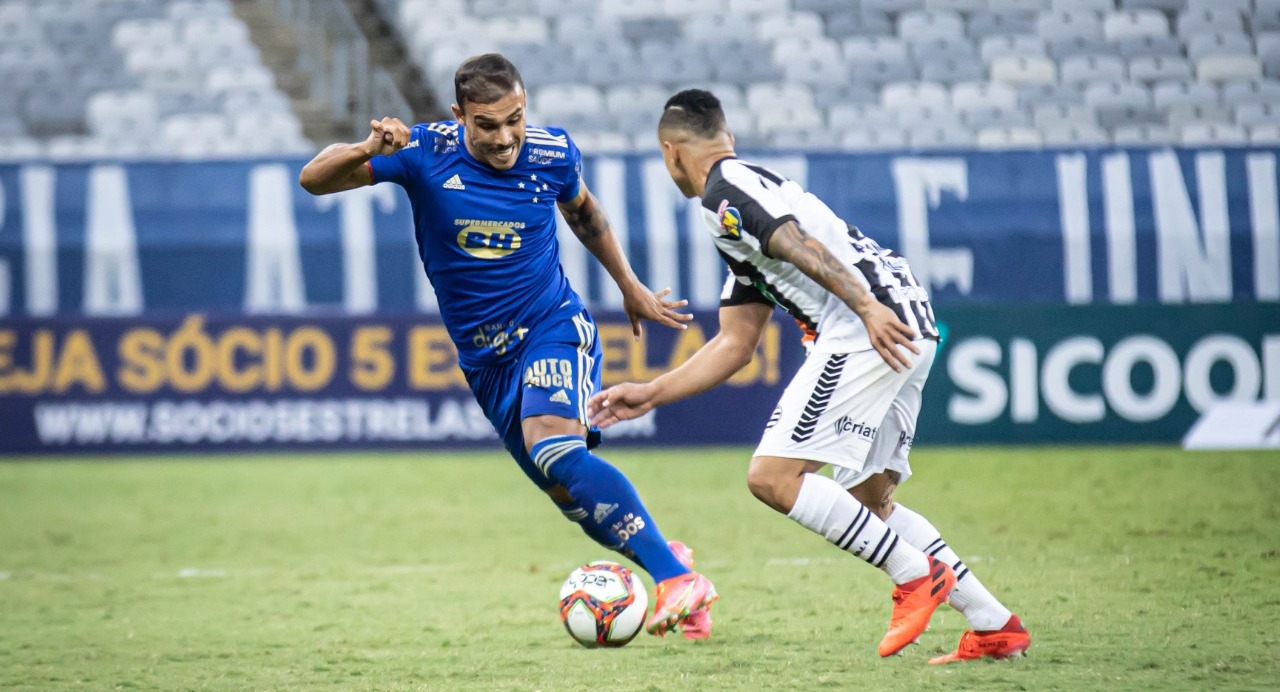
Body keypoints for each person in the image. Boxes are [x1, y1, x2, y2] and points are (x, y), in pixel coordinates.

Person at [588, 89, 1030, 662]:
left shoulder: (728, 191)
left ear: (671, 153)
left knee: (772, 477)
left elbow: (797, 244)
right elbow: (736, 342)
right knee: (872, 504)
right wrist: (651, 392)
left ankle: (914, 575)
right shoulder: (746, 199)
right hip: (908, 324)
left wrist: (867, 309)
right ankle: (994, 623)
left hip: (868, 324)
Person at [298, 55, 715, 639]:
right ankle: (672, 566)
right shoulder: (423, 152)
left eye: (515, 119)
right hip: (487, 364)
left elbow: (586, 214)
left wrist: (631, 288)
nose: (505, 137)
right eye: (488, 125)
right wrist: (369, 149)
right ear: (459, 116)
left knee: (556, 449)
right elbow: (313, 179)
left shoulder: (552, 153)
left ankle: (676, 580)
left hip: (553, 325)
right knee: (568, 492)